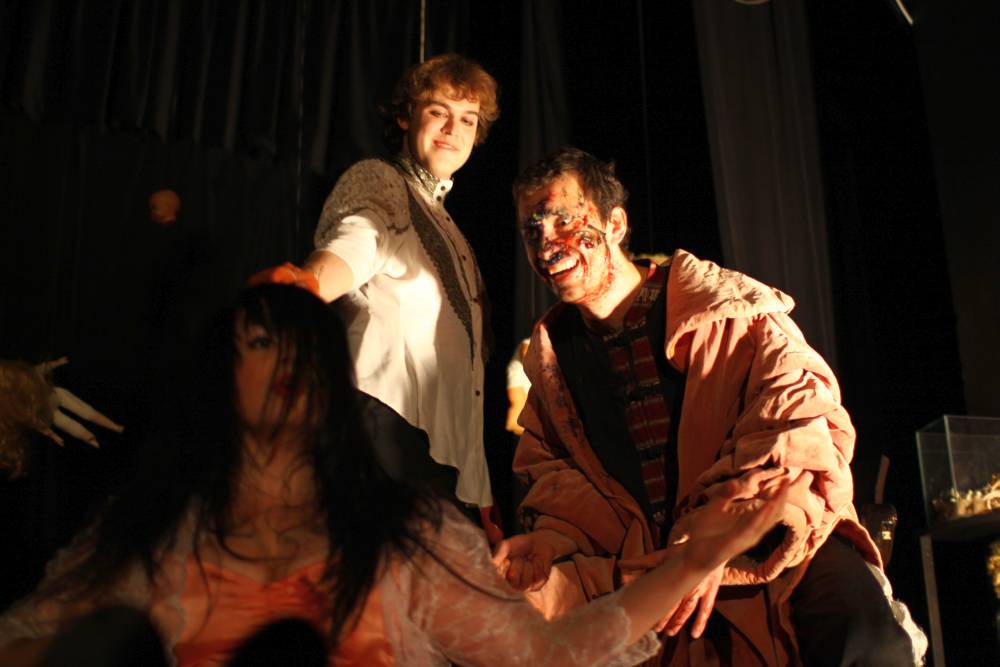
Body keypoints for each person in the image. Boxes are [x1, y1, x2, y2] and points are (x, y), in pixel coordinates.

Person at [0, 283, 790, 666]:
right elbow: (26, 639)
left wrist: (691, 560)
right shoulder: (147, 532)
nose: (290, 362)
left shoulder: (406, 535)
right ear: (219, 377)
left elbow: (541, 654)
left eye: (311, 349)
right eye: (263, 341)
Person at [494, 147, 923, 665]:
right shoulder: (553, 363)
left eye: (563, 220)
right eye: (532, 230)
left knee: (869, 640)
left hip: (774, 538)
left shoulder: (727, 309)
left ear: (615, 224)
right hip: (653, 569)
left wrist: (717, 537)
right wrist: (550, 542)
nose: (547, 244)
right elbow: (557, 483)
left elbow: (800, 422)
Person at [259, 53, 499, 532]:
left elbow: (465, 383)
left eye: (467, 120)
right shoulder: (383, 182)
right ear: (406, 116)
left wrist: (483, 501)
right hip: (381, 441)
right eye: (439, 112)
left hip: (443, 476)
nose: (453, 129)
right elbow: (358, 239)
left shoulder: (454, 233)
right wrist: (307, 284)